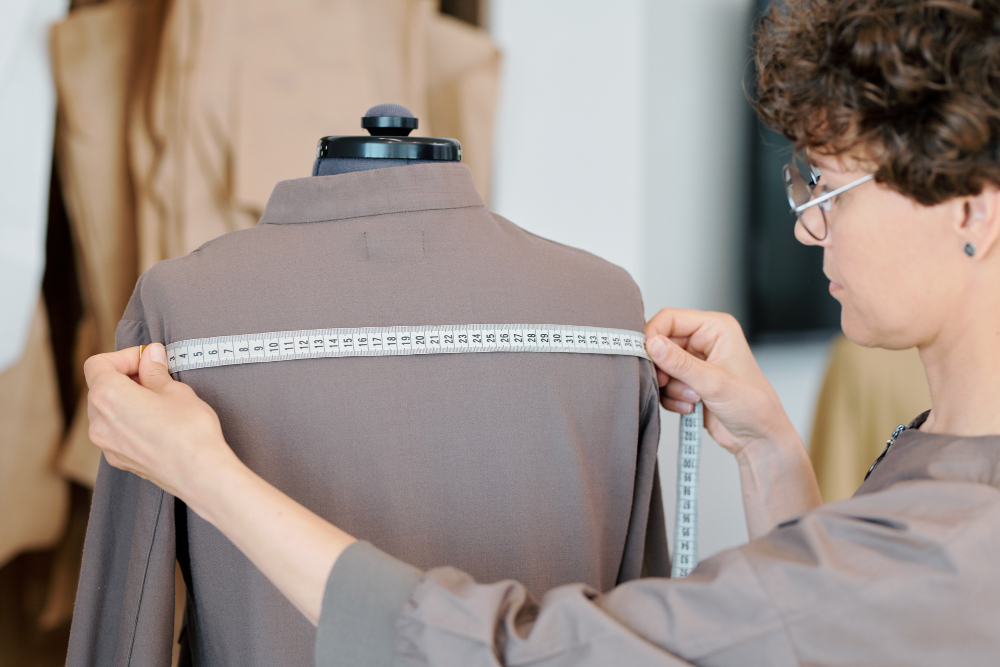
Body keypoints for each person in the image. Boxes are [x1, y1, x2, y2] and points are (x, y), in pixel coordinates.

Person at [81, 0, 1000, 664]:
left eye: (829, 190)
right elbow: (823, 635)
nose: (806, 225)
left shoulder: (950, 543)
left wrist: (207, 475)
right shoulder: (940, 469)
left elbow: (522, 652)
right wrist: (769, 451)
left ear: (973, 206)